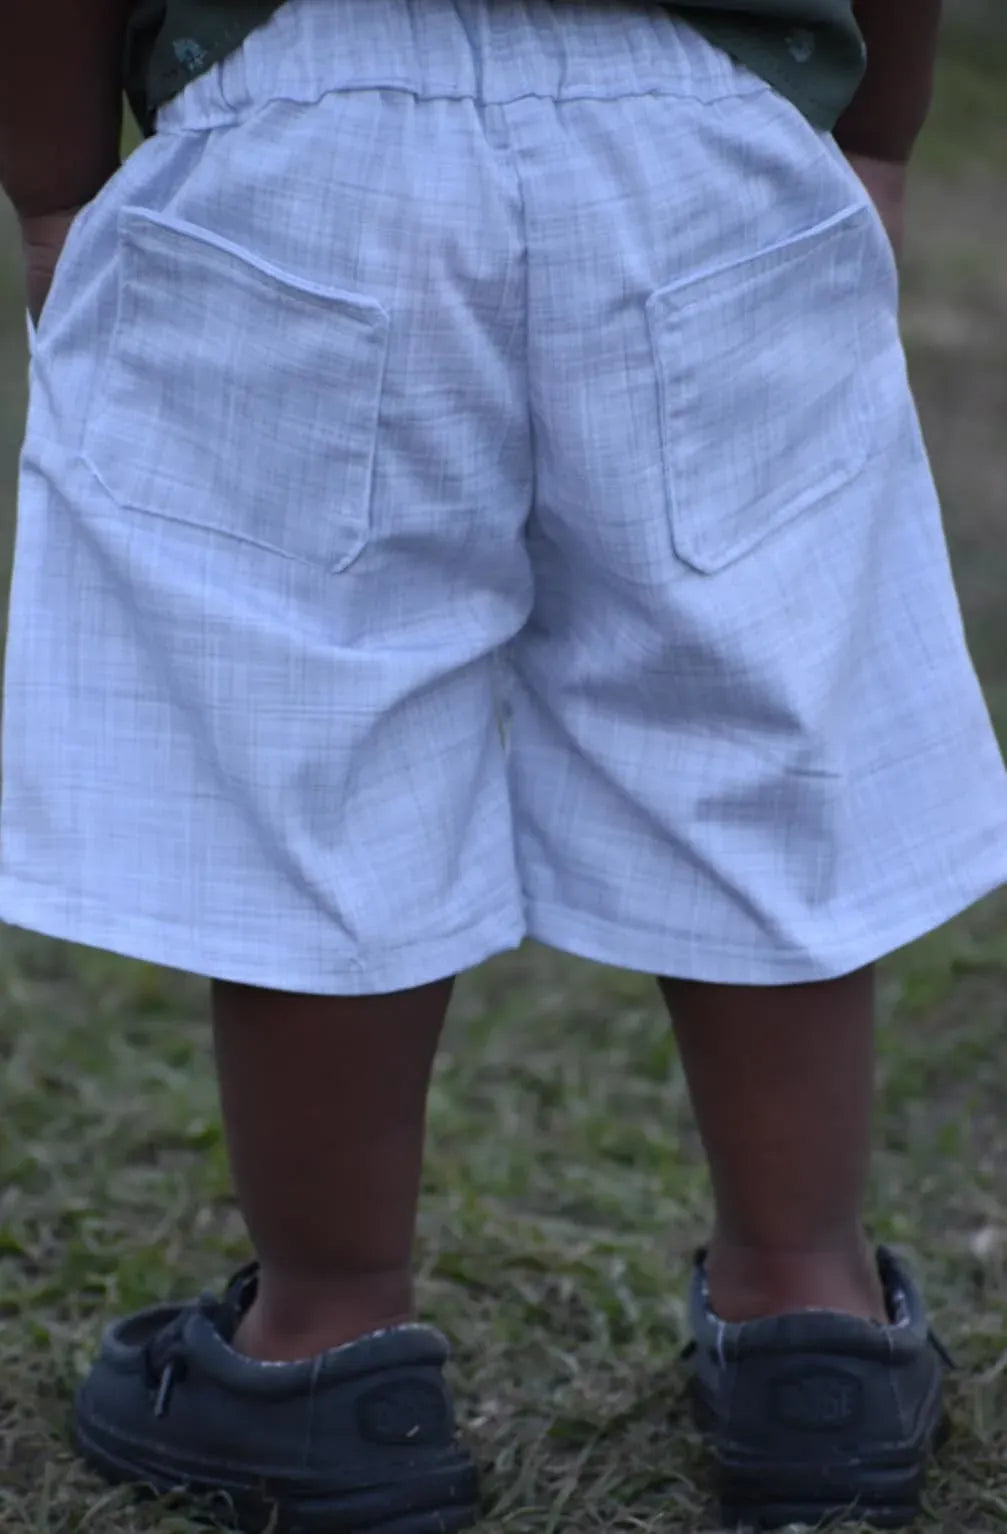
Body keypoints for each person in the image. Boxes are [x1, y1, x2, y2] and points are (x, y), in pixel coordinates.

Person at [2, 0, 1004, 1529]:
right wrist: (876, 133)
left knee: (310, 738)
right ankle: (813, 1318)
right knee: (759, 707)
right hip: (700, 123)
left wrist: (55, 185)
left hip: (295, 123)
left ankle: (327, 1343)